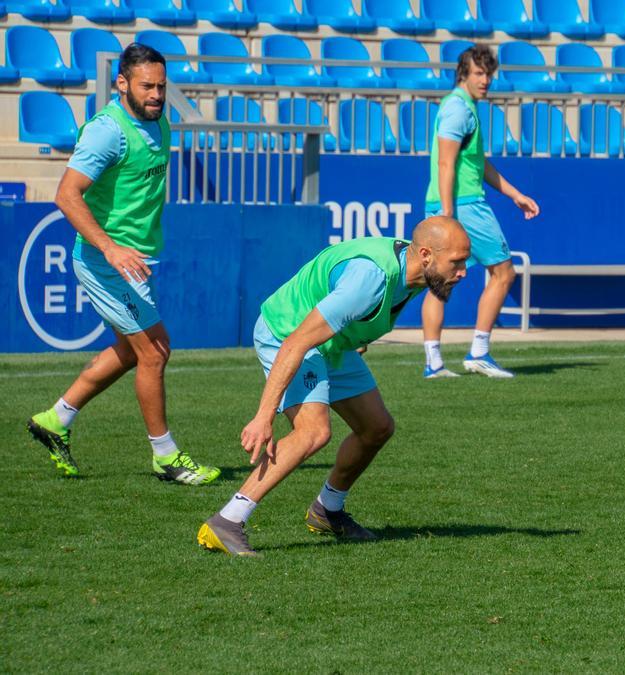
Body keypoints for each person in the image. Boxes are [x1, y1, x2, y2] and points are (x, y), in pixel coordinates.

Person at [197, 217, 471, 557]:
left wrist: (357, 334)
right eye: (457, 262)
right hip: (287, 333)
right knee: (312, 432)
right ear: (427, 255)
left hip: (331, 343)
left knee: (376, 427)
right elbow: (296, 342)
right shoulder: (371, 278)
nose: (463, 271)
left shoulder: (417, 269)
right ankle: (227, 520)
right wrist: (263, 416)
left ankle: (327, 510)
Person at [25, 44, 220, 485]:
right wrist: (111, 248)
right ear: (122, 83)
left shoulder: (159, 121)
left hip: (134, 263)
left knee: (135, 352)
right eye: (147, 86)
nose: (156, 94)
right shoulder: (106, 131)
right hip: (104, 262)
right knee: (155, 351)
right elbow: (66, 195)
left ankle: (55, 419)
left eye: (162, 86)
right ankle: (165, 456)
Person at [421, 45, 540, 379]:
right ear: (463, 74)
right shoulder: (459, 110)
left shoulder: (463, 108)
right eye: (478, 73)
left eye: (489, 74)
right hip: (464, 205)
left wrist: (515, 195)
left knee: (440, 283)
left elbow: (476, 162)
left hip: (449, 203)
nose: (485, 80)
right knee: (503, 273)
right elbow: (446, 162)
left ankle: (434, 363)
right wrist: (448, 213)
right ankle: (479, 353)